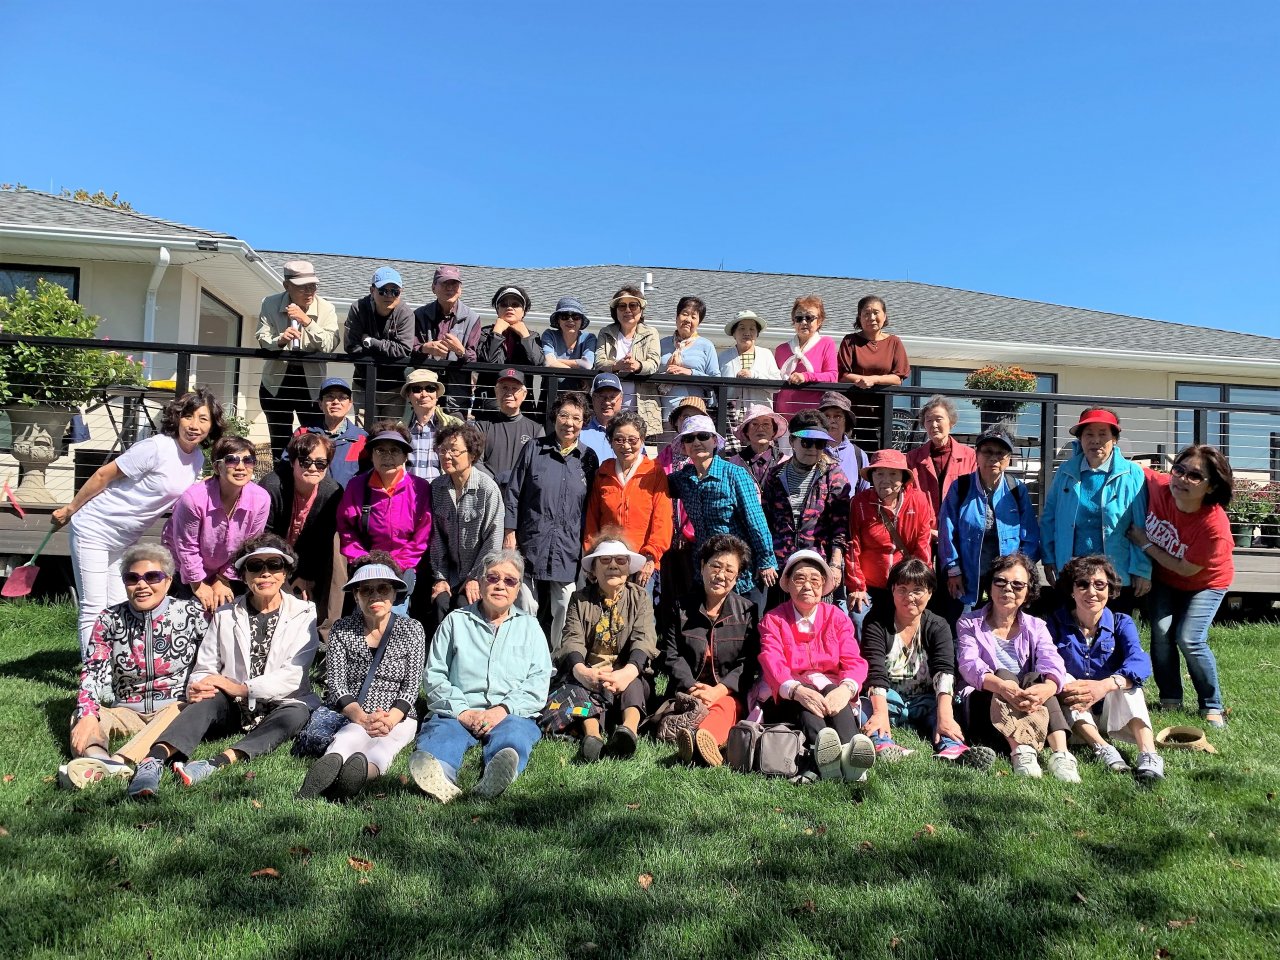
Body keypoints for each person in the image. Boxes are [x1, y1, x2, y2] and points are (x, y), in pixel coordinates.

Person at [126, 535, 320, 798]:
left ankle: (216, 762)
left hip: (282, 702)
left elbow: (294, 675)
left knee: (296, 714)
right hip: (234, 706)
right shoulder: (225, 614)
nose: (265, 573)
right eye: (255, 567)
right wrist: (199, 686)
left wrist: (241, 688)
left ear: (285, 572)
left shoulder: (305, 612)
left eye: (274, 565)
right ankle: (153, 761)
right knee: (206, 699)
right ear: (244, 576)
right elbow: (205, 666)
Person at [53, 388, 224, 655]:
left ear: (212, 425)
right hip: (94, 527)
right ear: (177, 418)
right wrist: (71, 509)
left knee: (120, 604)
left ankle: (119, 666)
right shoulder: (157, 447)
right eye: (188, 416)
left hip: (125, 539)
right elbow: (103, 475)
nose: (194, 425)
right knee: (94, 606)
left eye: (203, 419)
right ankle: (93, 671)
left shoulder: (197, 460)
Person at [409, 550, 553, 803]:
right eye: (493, 577)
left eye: (509, 580)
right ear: (481, 582)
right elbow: (434, 675)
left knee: (514, 737)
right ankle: (439, 774)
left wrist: (502, 710)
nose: (500, 585)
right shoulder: (455, 622)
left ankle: (496, 775)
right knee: (442, 734)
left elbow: (538, 681)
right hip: (459, 709)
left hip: (509, 713)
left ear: (518, 589)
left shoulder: (531, 627)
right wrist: (463, 712)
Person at [59, 544, 206, 790]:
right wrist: (88, 715)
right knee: (83, 714)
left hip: (174, 707)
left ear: (168, 581)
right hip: (127, 711)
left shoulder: (191, 613)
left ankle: (118, 762)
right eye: (132, 578)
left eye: (152, 577)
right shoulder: (109, 619)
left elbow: (211, 661)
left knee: (184, 711)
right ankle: (98, 757)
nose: (142, 585)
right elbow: (93, 670)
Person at [298, 553, 426, 800]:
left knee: (385, 746)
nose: (375, 596)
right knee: (347, 738)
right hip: (355, 711)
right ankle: (326, 772)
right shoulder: (342, 629)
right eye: (366, 590)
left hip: (398, 715)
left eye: (383, 589)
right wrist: (362, 718)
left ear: (394, 594)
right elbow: (337, 683)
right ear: (356, 595)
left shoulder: (412, 629)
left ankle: (357, 777)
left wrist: (390, 719)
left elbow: (411, 686)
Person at [1127, 444, 1234, 728]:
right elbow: (1128, 467)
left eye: (1195, 476)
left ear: (1211, 486)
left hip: (1206, 583)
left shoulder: (1214, 527)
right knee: (1162, 633)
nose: (1182, 479)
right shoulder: (1161, 486)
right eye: (1179, 469)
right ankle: (1170, 698)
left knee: (1190, 638)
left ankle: (1211, 704)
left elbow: (1185, 568)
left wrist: (1145, 543)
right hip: (1165, 578)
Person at [859, 559, 995, 768]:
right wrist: (879, 713)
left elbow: (944, 671)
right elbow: (875, 670)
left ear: (930, 592)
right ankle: (883, 744)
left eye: (918, 590)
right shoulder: (876, 622)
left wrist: (945, 716)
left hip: (926, 699)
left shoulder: (938, 625)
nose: (909, 597)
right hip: (888, 698)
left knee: (947, 709)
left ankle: (953, 748)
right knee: (863, 708)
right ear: (892, 590)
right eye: (902, 589)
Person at [955, 552, 1076, 781]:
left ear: (1028, 591)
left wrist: (1047, 688)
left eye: (1017, 585)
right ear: (990, 586)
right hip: (985, 703)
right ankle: (1021, 752)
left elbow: (1052, 660)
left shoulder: (1037, 626)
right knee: (1003, 675)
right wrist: (1003, 687)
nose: (1008, 589)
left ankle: (1061, 755)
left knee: (1037, 679)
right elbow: (969, 665)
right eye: (1000, 581)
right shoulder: (969, 623)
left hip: (1027, 701)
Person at [758, 551, 877, 782]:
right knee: (807, 697)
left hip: (830, 689)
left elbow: (853, 659)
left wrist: (845, 689)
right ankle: (831, 757)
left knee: (834, 690)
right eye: (799, 579)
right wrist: (797, 690)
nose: (807, 586)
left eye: (815, 580)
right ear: (787, 583)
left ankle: (847, 756)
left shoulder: (837, 617)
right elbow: (772, 661)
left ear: (823, 585)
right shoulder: (773, 620)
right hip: (789, 692)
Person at [1047, 555, 1164, 781]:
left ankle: (1149, 755)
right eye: (1083, 584)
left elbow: (1140, 661)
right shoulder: (1055, 623)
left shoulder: (1121, 622)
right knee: (1065, 679)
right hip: (1077, 717)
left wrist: (1105, 685)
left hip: (1114, 710)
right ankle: (1103, 748)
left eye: (1100, 585)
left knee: (1129, 684)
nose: (1092, 592)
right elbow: (1047, 662)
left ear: (1110, 590)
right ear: (1072, 590)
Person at [505, 393, 598, 647]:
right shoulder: (533, 449)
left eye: (576, 418)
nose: (569, 423)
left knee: (566, 603)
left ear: (584, 422)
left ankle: (556, 657)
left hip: (567, 546)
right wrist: (509, 532)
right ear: (555, 417)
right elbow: (513, 492)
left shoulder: (588, 458)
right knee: (525, 603)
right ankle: (525, 653)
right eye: (564, 415)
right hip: (531, 540)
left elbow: (591, 505)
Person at [554, 535, 659, 761]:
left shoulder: (640, 597)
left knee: (635, 684)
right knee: (578, 687)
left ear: (628, 568)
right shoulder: (579, 599)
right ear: (593, 569)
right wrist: (583, 672)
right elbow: (572, 639)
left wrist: (627, 672)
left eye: (620, 560)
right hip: (592, 670)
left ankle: (628, 731)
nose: (613, 565)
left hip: (626, 669)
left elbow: (644, 638)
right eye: (605, 560)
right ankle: (593, 737)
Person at [661, 535, 760, 767]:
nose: (721, 575)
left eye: (729, 570)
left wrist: (718, 691)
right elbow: (671, 655)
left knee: (726, 706)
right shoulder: (681, 607)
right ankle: (702, 744)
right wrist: (693, 688)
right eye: (715, 566)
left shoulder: (747, 612)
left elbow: (748, 663)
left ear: (737, 577)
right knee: (700, 708)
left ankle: (701, 740)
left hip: (726, 693)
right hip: (687, 691)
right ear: (703, 566)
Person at [1041, 408, 1151, 613]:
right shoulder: (1065, 471)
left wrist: (1142, 569)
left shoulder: (1132, 473)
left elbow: (1141, 525)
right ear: (1080, 439)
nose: (1095, 440)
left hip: (1115, 573)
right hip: (1072, 572)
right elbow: (1049, 517)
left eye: (1103, 434)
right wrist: (1048, 559)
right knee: (1071, 627)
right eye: (1089, 434)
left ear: (1114, 439)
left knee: (1114, 628)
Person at [667, 415, 778, 597]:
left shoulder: (734, 474)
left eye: (703, 436)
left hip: (739, 570)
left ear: (714, 441)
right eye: (689, 438)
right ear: (684, 446)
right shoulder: (683, 478)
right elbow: (654, 484)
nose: (696, 442)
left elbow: (755, 520)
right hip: (705, 570)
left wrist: (766, 560)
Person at [162, 435, 271, 613]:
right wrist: (198, 584)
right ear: (217, 467)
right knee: (193, 612)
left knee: (228, 613)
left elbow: (250, 544)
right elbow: (186, 546)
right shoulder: (193, 499)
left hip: (227, 567)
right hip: (183, 566)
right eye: (231, 460)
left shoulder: (261, 499)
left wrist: (223, 578)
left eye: (248, 460)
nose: (241, 467)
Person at [938, 425, 1041, 613]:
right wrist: (953, 570)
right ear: (976, 455)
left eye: (1000, 453)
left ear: (1009, 459)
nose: (993, 458)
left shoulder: (1016, 489)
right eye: (987, 451)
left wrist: (1020, 571)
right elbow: (947, 532)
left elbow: (1030, 536)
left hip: (1007, 579)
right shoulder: (960, 487)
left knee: (1004, 624)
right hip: (967, 576)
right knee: (965, 624)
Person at [336, 422, 432, 615]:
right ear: (371, 455)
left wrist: (396, 565)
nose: (387, 456)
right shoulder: (357, 486)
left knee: (395, 618)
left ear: (405, 456)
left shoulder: (420, 488)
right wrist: (365, 562)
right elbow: (347, 530)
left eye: (395, 450)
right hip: (366, 567)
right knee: (363, 618)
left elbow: (422, 536)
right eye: (380, 450)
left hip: (403, 569)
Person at [762, 411, 851, 603]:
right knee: (780, 618)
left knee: (816, 620)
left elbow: (840, 527)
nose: (813, 449)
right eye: (806, 442)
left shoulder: (834, 476)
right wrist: (766, 559)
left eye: (820, 444)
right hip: (781, 568)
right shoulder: (775, 475)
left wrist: (835, 565)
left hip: (817, 567)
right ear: (792, 441)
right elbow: (766, 522)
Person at [255, 259, 340, 458]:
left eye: (313, 286)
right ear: (287, 286)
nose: (309, 291)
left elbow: (330, 344)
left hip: (311, 385)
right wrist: (280, 340)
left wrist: (307, 321)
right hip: (275, 382)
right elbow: (262, 337)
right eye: (303, 287)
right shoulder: (270, 303)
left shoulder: (326, 308)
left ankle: (311, 476)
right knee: (279, 443)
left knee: (313, 442)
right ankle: (282, 478)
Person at [583, 411, 673, 591]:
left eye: (633, 440)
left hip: (642, 561)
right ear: (610, 442)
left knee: (639, 607)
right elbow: (592, 519)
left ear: (642, 440)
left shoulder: (654, 472)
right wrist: (591, 555)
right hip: (607, 560)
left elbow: (662, 520)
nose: (626, 446)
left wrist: (651, 557)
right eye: (619, 440)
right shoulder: (604, 472)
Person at [427, 423, 505, 630]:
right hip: (449, 573)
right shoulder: (437, 488)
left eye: (454, 450)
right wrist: (440, 578)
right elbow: (436, 538)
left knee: (465, 607)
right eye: (443, 450)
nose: (447, 456)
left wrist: (475, 577)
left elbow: (493, 540)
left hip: (480, 573)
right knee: (440, 603)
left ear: (472, 454)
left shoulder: (487, 489)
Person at [905, 395, 976, 621]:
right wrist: (929, 530)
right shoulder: (913, 458)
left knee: (955, 594)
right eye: (928, 420)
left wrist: (946, 531)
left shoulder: (970, 456)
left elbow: (972, 498)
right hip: (923, 534)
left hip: (958, 535)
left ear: (951, 422)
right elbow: (909, 497)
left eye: (938, 419)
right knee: (923, 589)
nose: (934, 425)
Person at [846, 449, 933, 623]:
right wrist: (857, 586)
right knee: (858, 617)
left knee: (911, 620)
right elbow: (853, 546)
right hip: (869, 585)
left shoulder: (919, 501)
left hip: (905, 584)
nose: (885, 480)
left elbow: (923, 546)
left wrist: (918, 585)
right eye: (879, 474)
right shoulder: (859, 503)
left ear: (903, 478)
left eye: (893, 474)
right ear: (872, 477)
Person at [258, 432, 341, 608]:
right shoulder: (271, 487)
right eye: (305, 461)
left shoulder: (332, 492)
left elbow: (323, 542)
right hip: (270, 559)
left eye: (320, 463)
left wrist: (306, 576)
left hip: (308, 563)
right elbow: (264, 536)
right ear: (292, 462)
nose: (313, 468)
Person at [837, 295, 910, 446]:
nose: (871, 317)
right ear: (859, 317)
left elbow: (898, 378)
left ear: (885, 315)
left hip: (883, 412)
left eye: (876, 312)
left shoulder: (894, 342)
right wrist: (861, 380)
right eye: (866, 313)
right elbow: (842, 375)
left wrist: (873, 380)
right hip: (852, 413)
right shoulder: (850, 341)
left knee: (879, 455)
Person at [343, 266, 414, 421]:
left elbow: (403, 350)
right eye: (383, 290)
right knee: (364, 432)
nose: (389, 295)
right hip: (363, 385)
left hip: (394, 388)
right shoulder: (358, 308)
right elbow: (351, 346)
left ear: (401, 292)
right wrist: (388, 349)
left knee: (390, 433)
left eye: (395, 291)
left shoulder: (405, 313)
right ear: (372, 290)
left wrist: (370, 342)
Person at [412, 265, 484, 416]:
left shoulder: (472, 318)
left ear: (460, 289)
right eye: (445, 283)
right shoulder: (419, 315)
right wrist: (425, 348)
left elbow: (475, 358)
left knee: (456, 430)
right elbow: (408, 349)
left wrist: (460, 351)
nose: (450, 288)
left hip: (456, 397)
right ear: (433, 288)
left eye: (454, 284)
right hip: (425, 393)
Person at [595, 285, 662, 436]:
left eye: (633, 305)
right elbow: (599, 362)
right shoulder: (606, 332)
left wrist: (638, 365)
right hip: (609, 405)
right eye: (622, 306)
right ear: (615, 311)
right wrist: (616, 366)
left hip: (642, 406)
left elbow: (654, 363)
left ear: (641, 310)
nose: (627, 310)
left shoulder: (651, 333)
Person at [476, 367, 545, 492]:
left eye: (514, 389)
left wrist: (515, 483)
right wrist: (495, 483)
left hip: (521, 495)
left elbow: (538, 467)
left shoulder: (536, 430)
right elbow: (476, 462)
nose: (509, 393)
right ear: (496, 392)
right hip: (489, 493)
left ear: (524, 394)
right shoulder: (482, 427)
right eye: (504, 388)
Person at [719, 310, 783, 441]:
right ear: (734, 333)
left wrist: (753, 375)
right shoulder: (724, 357)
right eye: (742, 328)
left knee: (760, 451)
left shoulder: (766, 354)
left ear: (757, 334)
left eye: (752, 329)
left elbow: (777, 386)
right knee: (732, 453)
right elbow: (716, 390)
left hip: (761, 420)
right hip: (731, 419)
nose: (747, 333)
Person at [477, 285, 543, 409]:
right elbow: (486, 361)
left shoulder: (533, 336)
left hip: (523, 406)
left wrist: (525, 336)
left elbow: (537, 362)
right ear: (497, 310)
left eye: (515, 304)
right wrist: (497, 333)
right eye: (504, 304)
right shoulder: (485, 333)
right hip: (489, 404)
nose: (509, 308)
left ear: (524, 311)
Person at [773, 296, 838, 416]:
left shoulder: (826, 343)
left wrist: (805, 376)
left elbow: (832, 377)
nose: (803, 322)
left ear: (819, 321)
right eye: (799, 318)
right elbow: (774, 385)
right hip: (782, 414)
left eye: (809, 318)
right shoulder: (781, 349)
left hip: (812, 415)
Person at [658, 295, 720, 421]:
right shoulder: (661, 344)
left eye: (693, 317)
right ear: (677, 317)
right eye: (684, 314)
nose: (688, 319)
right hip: (665, 412)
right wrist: (667, 375)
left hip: (695, 413)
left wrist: (690, 373)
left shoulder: (706, 345)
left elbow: (716, 381)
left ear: (699, 322)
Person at [299, 377, 367, 488]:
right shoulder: (303, 434)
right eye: (330, 396)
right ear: (320, 404)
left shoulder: (361, 439)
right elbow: (288, 466)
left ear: (350, 404)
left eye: (342, 397)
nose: (336, 402)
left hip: (347, 498)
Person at [402, 368, 462, 483]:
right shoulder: (399, 429)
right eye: (417, 389)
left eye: (430, 389)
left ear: (437, 394)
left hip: (443, 491)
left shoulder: (455, 426)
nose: (424, 394)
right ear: (408, 395)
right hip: (409, 492)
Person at [817, 392, 871, 495]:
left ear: (847, 421)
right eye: (827, 416)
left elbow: (864, 495)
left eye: (837, 416)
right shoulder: (811, 449)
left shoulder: (859, 455)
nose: (832, 421)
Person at [540, 296, 597, 392]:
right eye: (564, 316)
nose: (570, 320)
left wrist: (557, 361)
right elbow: (548, 363)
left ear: (581, 320)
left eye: (576, 316)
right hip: (551, 393)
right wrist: (579, 375)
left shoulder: (589, 338)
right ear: (558, 320)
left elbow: (587, 365)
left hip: (579, 394)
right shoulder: (549, 335)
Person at [727, 405, 789, 490]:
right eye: (755, 424)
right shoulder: (734, 463)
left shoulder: (785, 462)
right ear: (746, 431)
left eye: (766, 424)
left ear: (773, 431)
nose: (760, 429)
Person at [579, 372, 625, 464]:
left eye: (612, 397)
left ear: (621, 399)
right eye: (601, 397)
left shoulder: (631, 431)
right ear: (593, 399)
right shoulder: (580, 430)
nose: (607, 402)